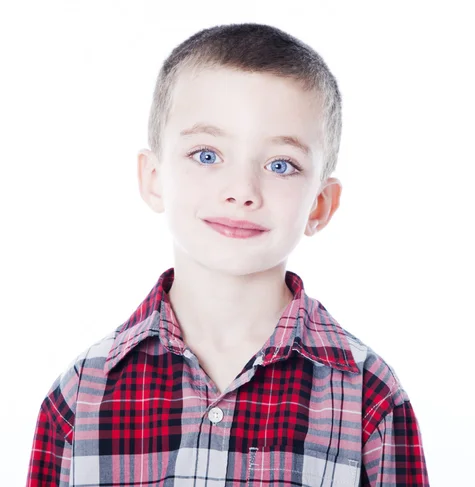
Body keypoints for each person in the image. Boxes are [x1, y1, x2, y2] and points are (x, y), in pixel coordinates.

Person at [26, 22, 430, 486]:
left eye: (281, 165)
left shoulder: (369, 395)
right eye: (206, 155)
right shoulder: (81, 395)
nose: (242, 191)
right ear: (153, 177)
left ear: (320, 204)